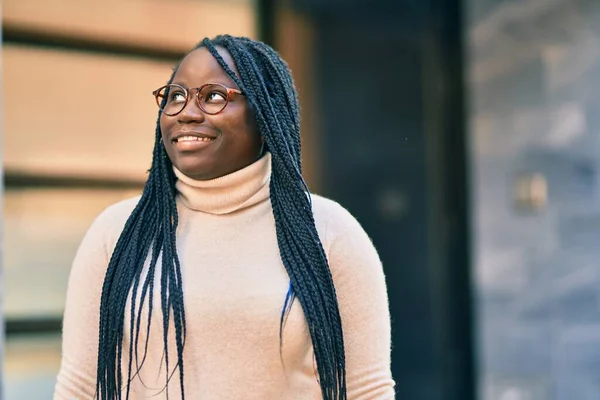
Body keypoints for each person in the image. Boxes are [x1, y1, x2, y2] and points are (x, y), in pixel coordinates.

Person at [54, 34, 395, 400]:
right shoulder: (117, 233)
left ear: (265, 115)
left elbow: (367, 391)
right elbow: (80, 388)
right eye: (176, 96)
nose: (186, 112)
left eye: (213, 96)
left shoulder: (330, 233)